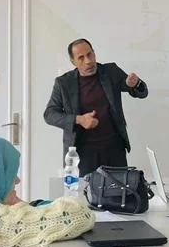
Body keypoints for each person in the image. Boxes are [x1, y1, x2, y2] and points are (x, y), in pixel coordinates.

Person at [43, 38, 148, 175]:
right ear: (73, 62)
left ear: (94, 53)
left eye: (89, 54)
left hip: (114, 150)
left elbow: (141, 92)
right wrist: (79, 119)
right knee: (81, 189)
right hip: (81, 154)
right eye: (81, 58)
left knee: (119, 189)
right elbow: (49, 114)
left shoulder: (111, 72)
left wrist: (135, 84)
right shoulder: (63, 83)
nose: (88, 61)